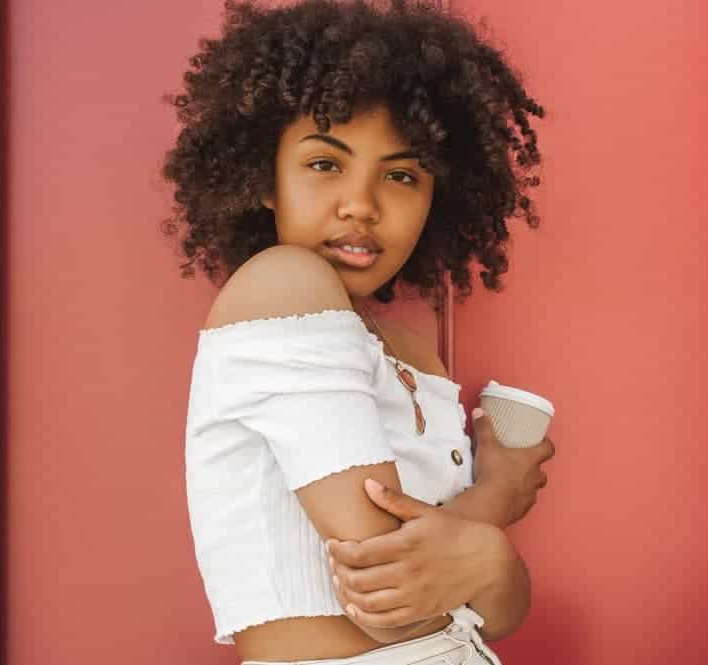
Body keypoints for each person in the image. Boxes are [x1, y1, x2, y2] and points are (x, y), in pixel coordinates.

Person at [160, 1, 555, 662]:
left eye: (401, 175)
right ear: (265, 178)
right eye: (324, 164)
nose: (360, 203)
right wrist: (496, 503)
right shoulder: (278, 285)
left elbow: (492, 612)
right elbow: (388, 603)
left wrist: (485, 561)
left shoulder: (409, 352)